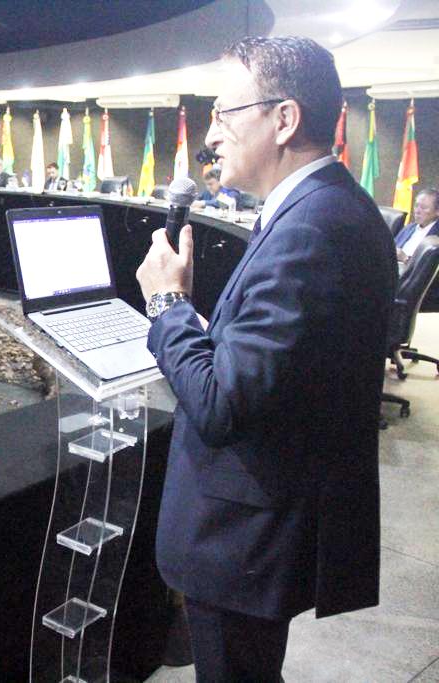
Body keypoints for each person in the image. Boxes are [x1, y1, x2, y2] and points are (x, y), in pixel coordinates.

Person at [135, 36, 394, 681]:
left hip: (243, 539)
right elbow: (280, 367)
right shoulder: (324, 207)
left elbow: (223, 404)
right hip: (264, 525)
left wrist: (167, 305)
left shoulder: (310, 228)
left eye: (225, 113)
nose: (210, 136)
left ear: (284, 119)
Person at [394, 188, 439, 271]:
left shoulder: (436, 237)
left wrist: (405, 258)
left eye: (424, 208)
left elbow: (429, 269)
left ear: (437, 211)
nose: (417, 211)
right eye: (416, 206)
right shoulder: (409, 228)